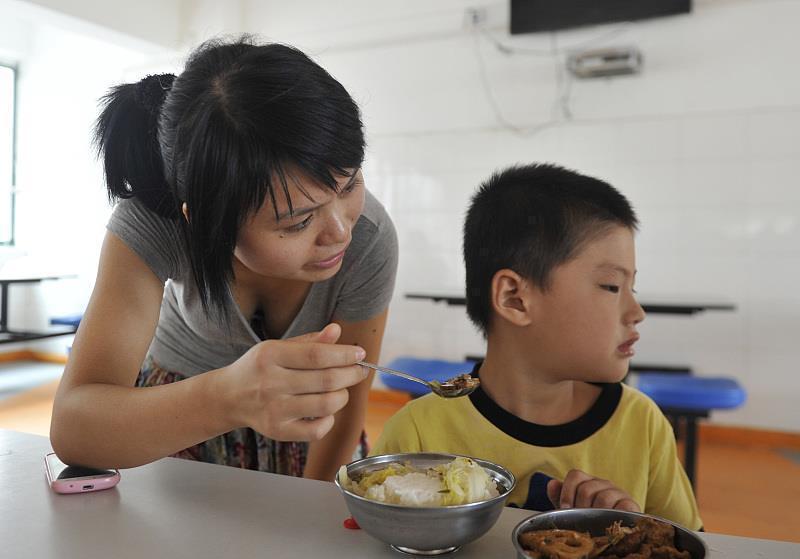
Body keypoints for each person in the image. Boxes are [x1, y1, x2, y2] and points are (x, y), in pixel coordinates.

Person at [50, 37, 398, 482]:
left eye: (349, 185)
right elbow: (74, 428)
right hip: (172, 420)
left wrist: (311, 509)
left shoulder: (369, 234)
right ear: (203, 221)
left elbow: (346, 404)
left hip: (312, 434)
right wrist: (230, 396)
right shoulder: (151, 224)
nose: (340, 231)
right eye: (298, 221)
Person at [372, 163, 702, 529]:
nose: (637, 312)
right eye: (611, 286)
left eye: (632, 288)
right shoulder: (418, 434)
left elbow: (689, 544)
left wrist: (630, 532)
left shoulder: (642, 425)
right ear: (514, 298)